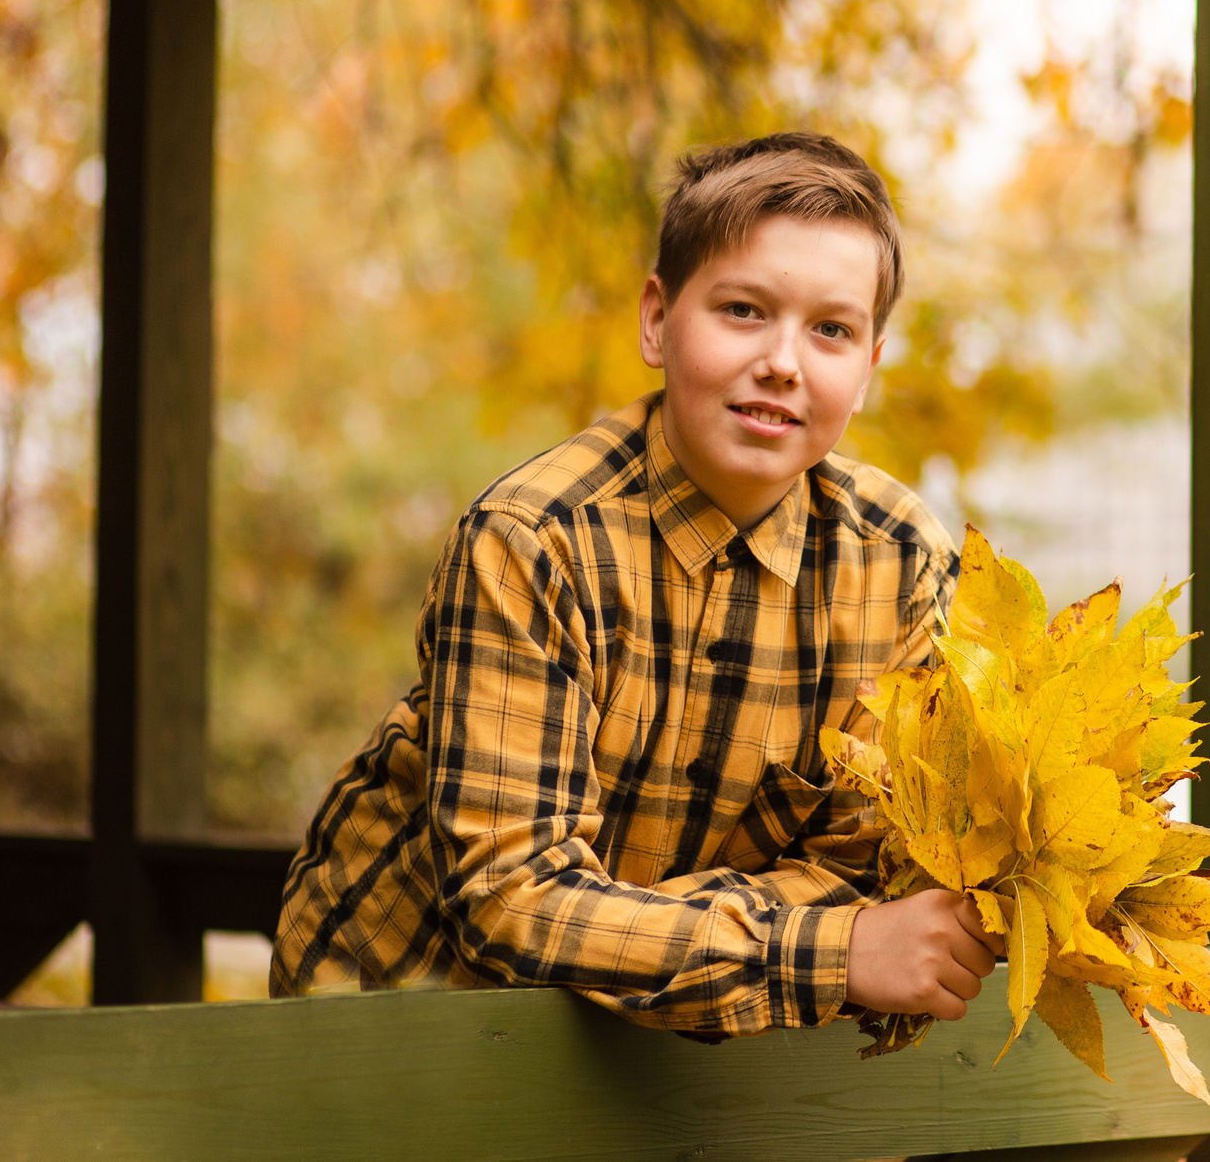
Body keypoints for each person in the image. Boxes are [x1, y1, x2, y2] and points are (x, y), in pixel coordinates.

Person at [272, 132, 1001, 1037]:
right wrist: (825, 951)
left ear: (869, 367)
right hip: (400, 1014)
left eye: (831, 329)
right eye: (743, 309)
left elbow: (860, 862)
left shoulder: (899, 564)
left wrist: (646, 939)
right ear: (657, 320)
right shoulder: (535, 541)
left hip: (657, 1053)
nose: (784, 359)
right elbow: (510, 895)